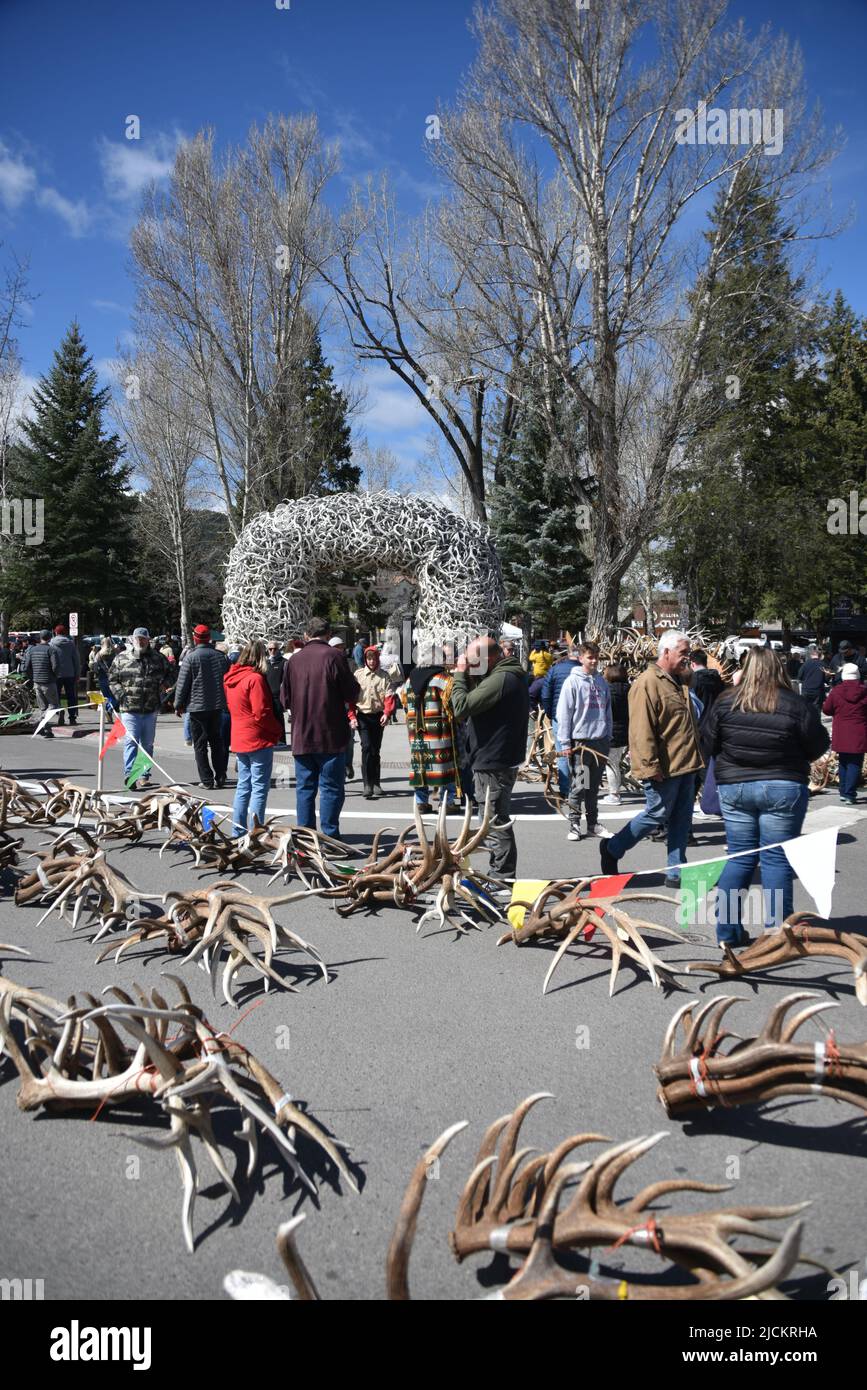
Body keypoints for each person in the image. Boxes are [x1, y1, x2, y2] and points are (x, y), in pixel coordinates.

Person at [701, 647, 829, 947]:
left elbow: (707, 741)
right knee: (776, 859)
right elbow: (818, 745)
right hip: (783, 784)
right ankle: (777, 934)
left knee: (740, 857)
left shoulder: (726, 702)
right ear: (778, 669)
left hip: (735, 786)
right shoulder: (795, 704)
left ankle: (727, 932)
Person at [600, 630, 703, 887]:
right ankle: (613, 847)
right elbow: (641, 730)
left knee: (681, 819)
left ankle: (675, 870)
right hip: (663, 767)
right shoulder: (647, 683)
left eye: (688, 653)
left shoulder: (678, 681)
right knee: (656, 814)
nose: (687, 658)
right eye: (683, 653)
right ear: (666, 652)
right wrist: (649, 766)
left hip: (686, 764)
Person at [450, 636, 530, 877]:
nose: (470, 666)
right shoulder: (505, 675)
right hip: (498, 757)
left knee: (493, 820)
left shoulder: (501, 679)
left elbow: (461, 708)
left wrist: (459, 675)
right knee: (492, 818)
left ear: (490, 659)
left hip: (494, 760)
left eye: (474, 662)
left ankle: (503, 876)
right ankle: (500, 872)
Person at [280, 617, 360, 839]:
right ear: (328, 634)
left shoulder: (294, 661)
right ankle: (330, 837)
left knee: (305, 789)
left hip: (301, 734)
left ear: (307, 635)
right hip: (330, 734)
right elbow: (352, 692)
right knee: (331, 789)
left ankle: (305, 837)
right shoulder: (334, 656)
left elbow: (284, 699)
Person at [224, 639, 284, 834]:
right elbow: (262, 713)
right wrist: (276, 731)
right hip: (257, 737)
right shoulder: (255, 679)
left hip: (239, 736)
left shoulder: (231, 678)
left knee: (243, 786)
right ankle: (255, 832)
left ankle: (238, 830)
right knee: (259, 788)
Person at [556, 641, 612, 842]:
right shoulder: (572, 682)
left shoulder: (601, 681)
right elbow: (564, 713)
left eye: (596, 657)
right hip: (581, 743)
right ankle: (574, 823)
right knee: (580, 785)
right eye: (590, 657)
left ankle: (593, 823)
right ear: (581, 658)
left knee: (594, 787)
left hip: (600, 741)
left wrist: (608, 735)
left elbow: (608, 710)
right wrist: (565, 743)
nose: (594, 660)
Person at [109, 628, 172, 789]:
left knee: (147, 744)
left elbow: (171, 674)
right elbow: (112, 679)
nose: (140, 641)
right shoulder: (121, 658)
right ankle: (130, 775)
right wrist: (121, 695)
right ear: (132, 640)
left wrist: (165, 686)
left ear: (148, 640)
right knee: (131, 741)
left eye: (143, 639)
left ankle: (143, 775)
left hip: (150, 709)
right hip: (129, 709)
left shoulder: (158, 658)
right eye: (138, 638)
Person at [399, 654, 460, 813]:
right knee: (444, 765)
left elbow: (405, 704)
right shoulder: (443, 680)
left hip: (417, 734)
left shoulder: (409, 681)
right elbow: (454, 705)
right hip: (438, 732)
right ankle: (446, 802)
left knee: (420, 765)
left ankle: (421, 802)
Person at [174, 624, 230, 790]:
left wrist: (178, 704)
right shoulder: (220, 657)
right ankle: (220, 776)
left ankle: (207, 780)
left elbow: (182, 684)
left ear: (196, 638)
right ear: (209, 638)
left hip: (197, 708)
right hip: (217, 706)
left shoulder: (191, 657)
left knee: (200, 745)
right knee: (217, 743)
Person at [351, 647, 396, 799]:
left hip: (378, 717)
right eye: (369, 659)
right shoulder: (358, 675)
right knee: (366, 747)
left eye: (374, 659)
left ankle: (376, 782)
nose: (371, 661)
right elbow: (351, 698)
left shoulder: (384, 676)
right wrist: (352, 716)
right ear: (365, 660)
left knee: (375, 750)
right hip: (363, 716)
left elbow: (389, 697)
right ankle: (367, 784)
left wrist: (387, 713)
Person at [822, 663, 867, 805]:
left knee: (843, 761)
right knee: (855, 763)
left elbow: (827, 710)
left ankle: (843, 792)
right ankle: (849, 793)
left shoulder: (836, 691)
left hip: (841, 730)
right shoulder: (865, 691)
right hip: (859, 730)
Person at [541, 643, 581, 800]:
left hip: (560, 716)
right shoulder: (586, 671)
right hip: (581, 718)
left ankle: (565, 789)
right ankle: (582, 788)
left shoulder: (555, 669)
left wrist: (550, 713)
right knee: (581, 754)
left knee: (563, 752)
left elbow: (545, 694)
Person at [21, 630, 60, 738]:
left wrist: (32, 676)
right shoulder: (51, 650)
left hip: (36, 681)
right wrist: (54, 676)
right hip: (48, 682)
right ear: (50, 638)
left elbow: (27, 666)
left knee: (43, 707)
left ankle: (46, 729)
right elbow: (55, 666)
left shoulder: (32, 650)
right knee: (53, 705)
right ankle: (40, 722)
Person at [601, 663, 630, 805]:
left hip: (611, 731)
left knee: (611, 764)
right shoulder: (630, 689)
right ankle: (615, 791)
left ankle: (614, 794)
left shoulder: (607, 690)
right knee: (615, 762)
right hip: (625, 730)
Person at [50, 623, 80, 726]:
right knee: (71, 696)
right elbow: (76, 660)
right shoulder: (71, 643)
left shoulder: (51, 644)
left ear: (56, 632)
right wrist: (77, 674)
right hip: (70, 673)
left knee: (56, 696)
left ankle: (59, 712)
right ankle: (72, 717)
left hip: (56, 674)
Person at [689, 650, 724, 718]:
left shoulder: (693, 681)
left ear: (692, 664)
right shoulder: (718, 679)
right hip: (717, 721)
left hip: (700, 723)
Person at [796, 645, 827, 712]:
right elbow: (826, 678)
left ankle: (807, 722)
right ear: (819, 655)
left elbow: (799, 677)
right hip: (818, 691)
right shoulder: (823, 664)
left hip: (806, 690)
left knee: (806, 710)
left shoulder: (805, 664)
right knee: (817, 710)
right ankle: (816, 722)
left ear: (811, 655)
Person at [88, 636, 116, 707]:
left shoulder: (99, 654)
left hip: (102, 676)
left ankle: (108, 708)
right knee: (113, 695)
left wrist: (96, 672)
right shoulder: (114, 654)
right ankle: (111, 707)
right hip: (113, 677)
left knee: (105, 696)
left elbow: (95, 666)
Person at [264, 640, 286, 721]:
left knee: (279, 721)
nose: (272, 651)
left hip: (278, 698)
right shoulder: (265, 663)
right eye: (270, 649)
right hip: (266, 697)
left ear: (278, 649)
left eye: (275, 649)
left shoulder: (284, 662)